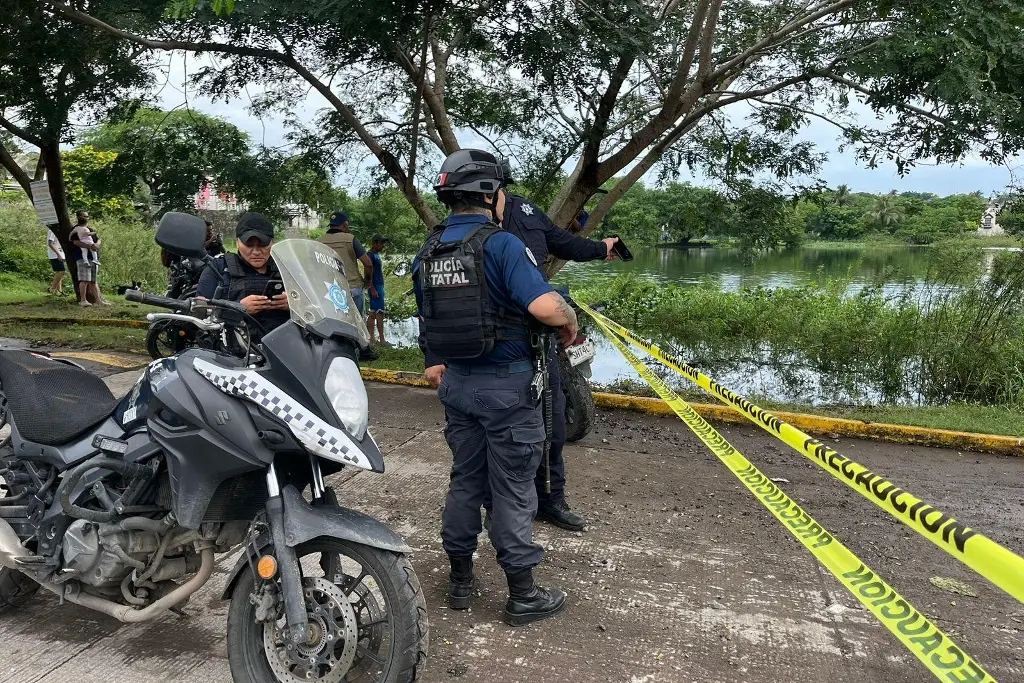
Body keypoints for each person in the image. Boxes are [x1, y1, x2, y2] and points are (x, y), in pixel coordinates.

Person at [414, 149, 578, 626]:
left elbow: (427, 319)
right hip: (506, 389)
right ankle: (523, 593)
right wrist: (568, 319)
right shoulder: (501, 245)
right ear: (490, 192)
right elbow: (545, 308)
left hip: (458, 387)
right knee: (512, 489)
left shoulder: (429, 250)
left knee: (465, 481)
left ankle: (461, 581)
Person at [424, 169, 619, 533]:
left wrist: (601, 249)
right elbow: (434, 308)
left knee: (552, 429)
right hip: (501, 370)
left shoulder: (522, 217)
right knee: (505, 474)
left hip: (530, 355)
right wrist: (568, 316)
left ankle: (548, 501)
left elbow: (566, 243)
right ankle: (519, 576)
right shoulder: (480, 242)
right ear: (487, 194)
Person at [196, 212, 290, 339]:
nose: (256, 252)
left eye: (262, 245)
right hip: (232, 350)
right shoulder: (218, 268)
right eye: (249, 245)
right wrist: (237, 308)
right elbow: (198, 310)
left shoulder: (288, 269)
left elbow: (317, 306)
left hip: (285, 347)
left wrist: (294, 305)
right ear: (237, 243)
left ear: (272, 243)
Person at [319, 212, 373, 314]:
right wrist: (368, 281)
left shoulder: (319, 241)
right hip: (352, 288)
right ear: (345, 224)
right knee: (358, 324)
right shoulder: (350, 239)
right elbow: (368, 263)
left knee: (337, 322)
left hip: (329, 290)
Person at [69, 210, 109, 307]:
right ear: (78, 217)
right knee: (84, 280)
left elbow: (98, 239)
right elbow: (75, 242)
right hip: (82, 258)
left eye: (87, 216)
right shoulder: (76, 229)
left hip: (93, 258)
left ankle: (98, 301)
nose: (85, 218)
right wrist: (90, 247)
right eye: (83, 216)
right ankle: (83, 300)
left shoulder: (90, 229)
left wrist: (97, 245)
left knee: (93, 281)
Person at [367, 235, 390, 345]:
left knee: (373, 313)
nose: (383, 246)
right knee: (378, 313)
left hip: (379, 286)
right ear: (375, 243)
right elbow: (368, 273)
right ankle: (381, 339)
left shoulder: (376, 255)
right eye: (381, 243)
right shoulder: (370, 255)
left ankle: (372, 339)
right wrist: (372, 288)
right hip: (375, 286)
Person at [45, 227, 66, 295]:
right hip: (54, 254)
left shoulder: (58, 230)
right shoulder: (53, 230)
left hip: (59, 253)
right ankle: (52, 288)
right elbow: (50, 243)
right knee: (61, 271)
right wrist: (58, 254)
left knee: (59, 272)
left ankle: (59, 291)